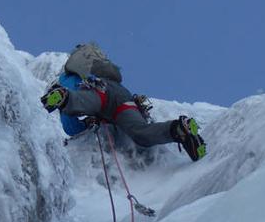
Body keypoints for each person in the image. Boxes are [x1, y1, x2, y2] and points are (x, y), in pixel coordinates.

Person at [40, 43, 206, 162]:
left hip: (100, 93)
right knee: (141, 132)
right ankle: (179, 129)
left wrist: (85, 122)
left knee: (79, 102)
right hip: (123, 98)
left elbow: (71, 127)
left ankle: (64, 97)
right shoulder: (105, 71)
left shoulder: (68, 77)